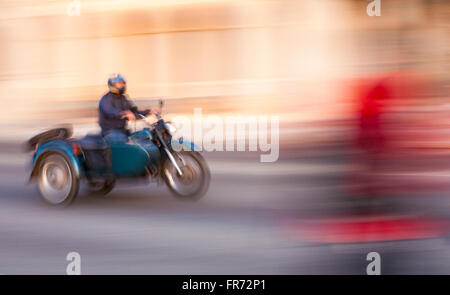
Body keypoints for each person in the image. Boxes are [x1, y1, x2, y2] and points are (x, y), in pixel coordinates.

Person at [99, 73, 157, 144]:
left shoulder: (123, 98)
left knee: (145, 135)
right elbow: (111, 112)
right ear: (112, 85)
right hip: (110, 132)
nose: (121, 86)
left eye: (122, 84)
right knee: (126, 142)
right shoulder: (106, 99)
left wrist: (149, 112)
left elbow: (134, 112)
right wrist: (125, 113)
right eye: (119, 84)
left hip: (123, 131)